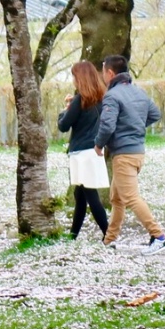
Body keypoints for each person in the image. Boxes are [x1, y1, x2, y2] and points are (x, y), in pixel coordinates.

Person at [93, 54, 165, 252]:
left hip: (124, 154)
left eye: (103, 72)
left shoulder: (112, 96)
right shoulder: (139, 92)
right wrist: (135, 127)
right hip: (137, 152)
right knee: (117, 199)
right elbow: (155, 114)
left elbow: (108, 124)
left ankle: (159, 236)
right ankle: (109, 241)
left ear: (110, 73)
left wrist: (99, 144)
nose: (102, 76)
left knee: (131, 198)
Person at [57, 60, 112, 239]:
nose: (73, 80)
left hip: (81, 152)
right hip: (94, 149)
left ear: (80, 78)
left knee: (90, 195)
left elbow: (64, 125)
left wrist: (64, 111)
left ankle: (109, 235)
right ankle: (73, 235)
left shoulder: (81, 99)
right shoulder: (101, 98)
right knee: (80, 194)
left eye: (74, 76)